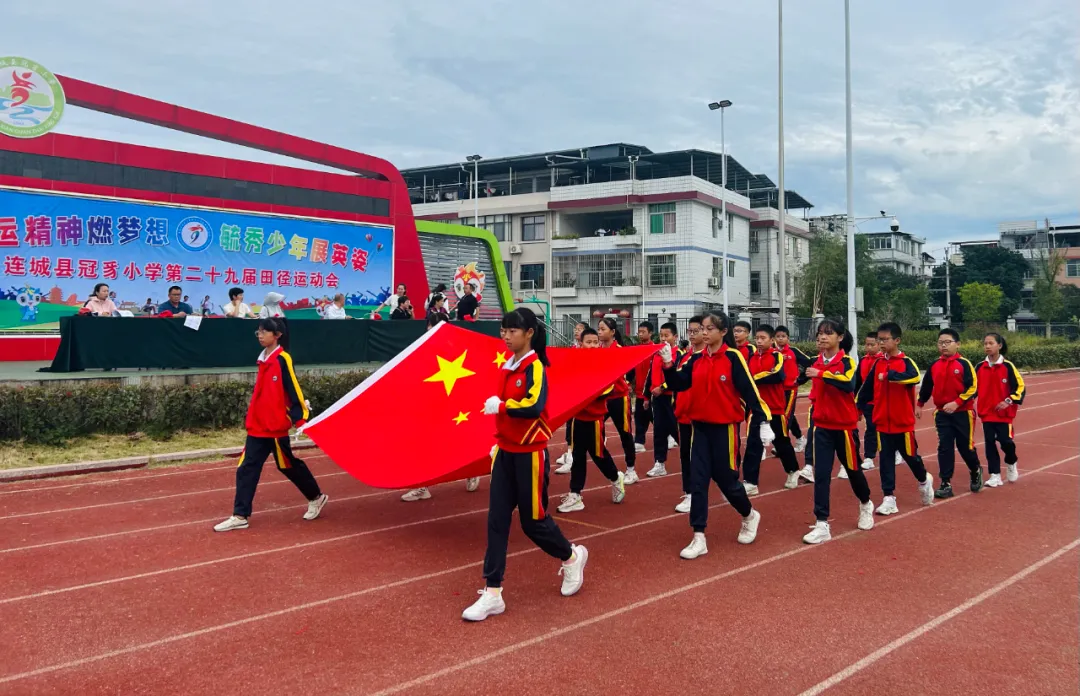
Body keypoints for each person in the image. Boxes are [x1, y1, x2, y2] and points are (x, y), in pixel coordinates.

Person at [463, 307, 587, 621]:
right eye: (503, 330)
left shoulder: (535, 366)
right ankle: (493, 592)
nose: (505, 336)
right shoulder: (508, 366)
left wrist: (502, 406)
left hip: (530, 453)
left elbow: (534, 405)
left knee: (533, 522)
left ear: (529, 333)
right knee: (496, 520)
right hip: (505, 451)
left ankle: (571, 557)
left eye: (512, 331)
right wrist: (501, 433)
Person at [661, 311, 766, 560]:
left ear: (723, 331)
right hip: (699, 428)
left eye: (709, 329)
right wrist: (668, 365)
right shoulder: (695, 359)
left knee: (727, 481)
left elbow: (750, 391)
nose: (704, 333)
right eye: (702, 329)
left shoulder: (733, 357)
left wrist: (763, 421)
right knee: (698, 481)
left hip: (725, 429)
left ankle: (749, 515)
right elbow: (678, 383)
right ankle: (699, 536)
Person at [214, 317, 328, 532]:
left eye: (264, 331)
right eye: (258, 331)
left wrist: (300, 418)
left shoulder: (283, 359)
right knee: (246, 468)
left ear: (277, 335)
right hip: (258, 427)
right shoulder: (262, 360)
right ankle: (240, 515)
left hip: (275, 427)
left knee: (287, 465)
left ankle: (316, 497)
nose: (260, 335)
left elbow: (293, 388)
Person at [801, 318, 875, 545]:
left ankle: (866, 504)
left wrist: (821, 374)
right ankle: (822, 522)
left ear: (840, 337)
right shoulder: (816, 361)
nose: (822, 337)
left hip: (844, 428)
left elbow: (848, 384)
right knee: (821, 475)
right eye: (820, 333)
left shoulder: (847, 362)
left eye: (828, 333)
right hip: (822, 426)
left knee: (853, 471)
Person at [856, 322, 935, 516]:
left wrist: (890, 375)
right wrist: (857, 406)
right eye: (879, 340)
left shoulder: (906, 362)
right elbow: (866, 388)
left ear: (897, 340)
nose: (882, 343)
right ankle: (889, 497)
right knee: (885, 460)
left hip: (902, 423)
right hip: (882, 422)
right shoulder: (877, 363)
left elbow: (914, 377)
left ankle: (924, 480)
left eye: (885, 339)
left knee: (911, 457)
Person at [402, 315, 481, 501]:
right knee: (424, 443)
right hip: (430, 405)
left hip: (452, 406)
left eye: (432, 325)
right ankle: (422, 486)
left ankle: (472, 470)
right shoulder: (422, 348)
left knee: (456, 440)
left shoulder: (454, 348)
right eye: (428, 325)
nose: (429, 329)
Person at [557, 327, 626, 513]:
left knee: (598, 455)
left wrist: (584, 392)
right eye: (589, 342)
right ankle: (575, 494)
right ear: (580, 344)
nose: (593, 346)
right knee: (577, 456)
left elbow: (608, 389)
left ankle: (615, 477)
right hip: (577, 417)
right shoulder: (575, 362)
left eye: (596, 342)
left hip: (594, 419)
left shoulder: (603, 363)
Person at [918, 327, 983, 498]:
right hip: (942, 414)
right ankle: (945, 483)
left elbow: (973, 387)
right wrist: (919, 404)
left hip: (963, 413)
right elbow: (926, 386)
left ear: (958, 344)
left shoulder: (964, 364)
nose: (944, 346)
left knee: (965, 447)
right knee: (944, 447)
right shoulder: (935, 365)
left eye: (947, 342)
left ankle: (975, 470)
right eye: (940, 342)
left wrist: (957, 402)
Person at [742, 325, 802, 495]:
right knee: (753, 444)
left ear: (771, 340)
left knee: (781, 442)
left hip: (775, 408)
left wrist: (753, 379)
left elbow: (777, 374)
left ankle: (793, 471)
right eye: (757, 338)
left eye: (763, 338)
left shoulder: (777, 356)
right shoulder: (751, 358)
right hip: (757, 409)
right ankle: (750, 482)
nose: (759, 341)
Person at [976, 333, 1026, 487]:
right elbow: (972, 388)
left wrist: (1008, 401)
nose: (987, 346)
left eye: (991, 343)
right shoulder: (979, 367)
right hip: (986, 413)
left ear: (999, 345)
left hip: (1004, 414)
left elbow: (1020, 387)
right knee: (990, 443)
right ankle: (995, 475)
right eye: (985, 343)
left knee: (1005, 442)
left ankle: (1011, 461)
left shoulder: (1008, 366)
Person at [596, 317, 638, 483]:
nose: (599, 332)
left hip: (619, 398)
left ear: (612, 332)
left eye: (603, 329)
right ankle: (608, 466)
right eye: (598, 329)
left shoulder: (620, 350)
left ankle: (631, 469)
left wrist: (626, 383)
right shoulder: (597, 350)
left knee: (625, 433)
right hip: (602, 399)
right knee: (595, 429)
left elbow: (632, 370)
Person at [672, 316, 705, 513]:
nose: (692, 335)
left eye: (696, 331)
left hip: (701, 416)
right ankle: (690, 492)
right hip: (683, 415)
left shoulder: (706, 357)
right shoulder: (685, 356)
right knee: (686, 456)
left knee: (703, 458)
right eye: (689, 331)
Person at [644, 322, 681, 478]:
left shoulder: (678, 354)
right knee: (659, 431)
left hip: (671, 398)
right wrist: (647, 396)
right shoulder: (656, 353)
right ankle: (659, 462)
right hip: (657, 398)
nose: (663, 338)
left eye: (667, 335)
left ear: (675, 337)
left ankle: (694, 457)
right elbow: (650, 376)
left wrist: (663, 388)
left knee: (677, 430)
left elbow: (676, 375)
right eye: (661, 335)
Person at [554, 321, 590, 474]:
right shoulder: (573, 348)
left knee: (579, 429)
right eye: (575, 329)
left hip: (583, 395)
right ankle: (570, 454)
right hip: (572, 393)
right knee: (571, 426)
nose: (576, 331)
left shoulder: (588, 351)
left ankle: (571, 457)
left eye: (580, 329)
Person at [773, 326, 811, 453]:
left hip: (790, 389)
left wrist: (800, 379)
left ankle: (781, 444)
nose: (780, 339)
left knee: (785, 416)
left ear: (788, 338)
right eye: (778, 336)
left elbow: (809, 362)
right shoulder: (772, 352)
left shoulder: (793, 351)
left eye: (783, 336)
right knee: (786, 414)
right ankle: (800, 438)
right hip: (776, 389)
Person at [855, 331, 882, 469]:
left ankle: (896, 451)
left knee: (887, 430)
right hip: (869, 402)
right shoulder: (863, 360)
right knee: (870, 428)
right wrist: (857, 403)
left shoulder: (883, 360)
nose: (869, 347)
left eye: (872, 344)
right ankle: (869, 457)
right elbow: (858, 382)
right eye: (867, 344)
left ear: (879, 344)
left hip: (883, 402)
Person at [632, 321, 656, 454]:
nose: (640, 334)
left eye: (643, 332)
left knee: (654, 417)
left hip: (652, 391)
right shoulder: (637, 349)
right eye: (639, 332)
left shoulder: (655, 350)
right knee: (639, 417)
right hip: (639, 391)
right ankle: (639, 441)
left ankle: (670, 435)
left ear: (650, 333)